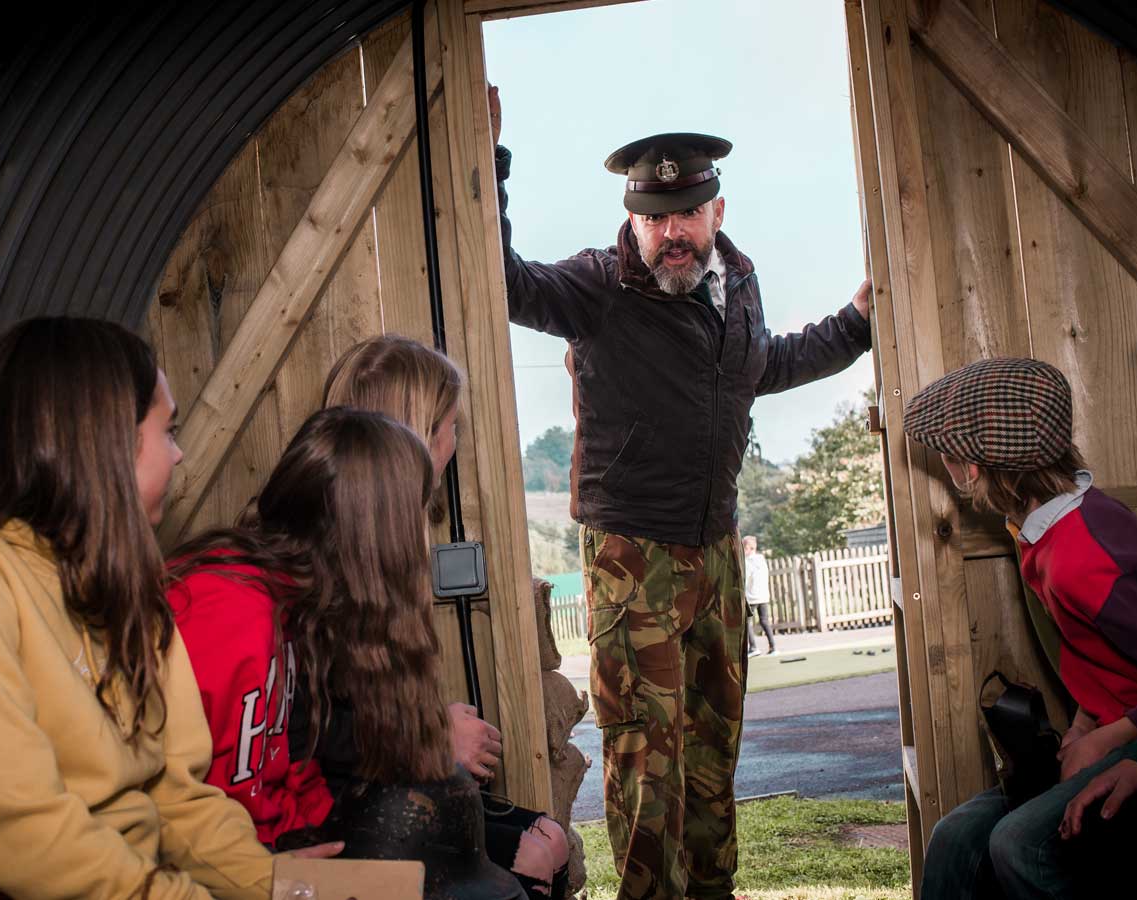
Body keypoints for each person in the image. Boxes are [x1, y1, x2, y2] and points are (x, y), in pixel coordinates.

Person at [489, 83, 873, 899]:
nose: (672, 233)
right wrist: (491, 170)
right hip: (633, 555)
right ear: (633, 220)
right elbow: (508, 282)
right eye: (655, 217)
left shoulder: (740, 285)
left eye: (686, 214)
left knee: (711, 753)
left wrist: (858, 321)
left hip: (719, 552)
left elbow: (766, 367)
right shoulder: (598, 286)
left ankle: (713, 893)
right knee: (645, 761)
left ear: (716, 212)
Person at [0, 318, 320, 900]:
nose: (181, 454)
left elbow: (180, 803)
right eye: (169, 431)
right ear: (106, 443)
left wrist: (283, 891)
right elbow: (24, 836)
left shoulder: (124, 594)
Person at [167, 408, 509, 888]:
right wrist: (287, 874)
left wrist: (334, 838)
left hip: (280, 852)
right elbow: (181, 808)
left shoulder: (295, 607)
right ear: (376, 533)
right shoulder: (226, 608)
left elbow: (292, 768)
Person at [903, 356, 1137, 899]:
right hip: (1112, 729)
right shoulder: (1043, 529)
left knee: (1018, 844)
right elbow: (1104, 657)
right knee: (955, 836)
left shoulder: (1083, 556)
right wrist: (1084, 725)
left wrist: (1108, 737)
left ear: (971, 468)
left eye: (947, 457)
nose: (948, 467)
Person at [321, 334, 570, 897]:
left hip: (374, 788)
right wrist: (429, 740)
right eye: (450, 426)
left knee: (545, 837)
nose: (454, 442)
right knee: (533, 854)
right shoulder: (332, 557)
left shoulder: (379, 543)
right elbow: (308, 728)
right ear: (414, 436)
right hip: (340, 815)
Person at [743, 536, 775, 657]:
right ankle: (773, 647)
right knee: (764, 621)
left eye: (744, 548)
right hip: (763, 596)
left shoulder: (747, 562)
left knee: (746, 623)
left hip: (751, 597)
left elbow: (745, 580)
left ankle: (753, 647)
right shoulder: (761, 560)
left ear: (750, 548)